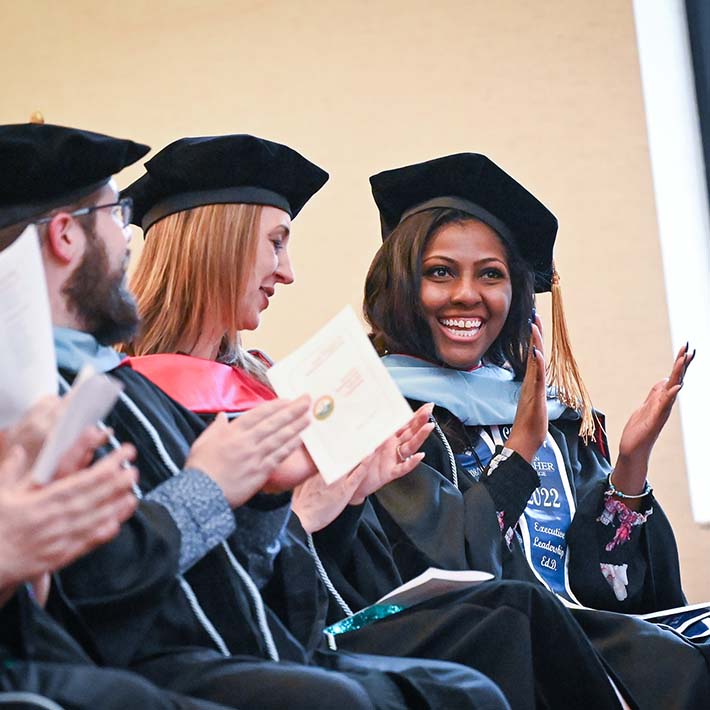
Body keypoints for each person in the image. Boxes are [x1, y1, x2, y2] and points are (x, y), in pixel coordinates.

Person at [0, 122, 509, 710]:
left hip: (237, 643)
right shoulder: (75, 395)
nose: (128, 241)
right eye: (117, 217)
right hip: (163, 661)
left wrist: (294, 498)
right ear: (65, 236)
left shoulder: (128, 387)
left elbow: (231, 578)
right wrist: (222, 489)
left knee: (468, 686)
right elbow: (105, 596)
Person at [122, 134, 640, 710]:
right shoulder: (137, 397)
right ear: (220, 248)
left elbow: (343, 568)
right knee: (509, 618)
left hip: (305, 628)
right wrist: (312, 512)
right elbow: (150, 573)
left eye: (490, 275)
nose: (288, 272)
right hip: (234, 647)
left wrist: (343, 502)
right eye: (276, 243)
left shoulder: (269, 384)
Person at [350, 151, 709, 707]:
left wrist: (630, 471)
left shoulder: (549, 414)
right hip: (486, 655)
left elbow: (606, 589)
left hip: (578, 633)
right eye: (439, 272)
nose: (468, 294)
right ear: (398, 286)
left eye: (491, 275)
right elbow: (450, 575)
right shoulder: (379, 414)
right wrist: (519, 453)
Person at [0, 397, 236, 710]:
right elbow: (102, 592)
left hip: (105, 665)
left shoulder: (139, 389)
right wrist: (206, 490)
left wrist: (280, 507)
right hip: (141, 659)